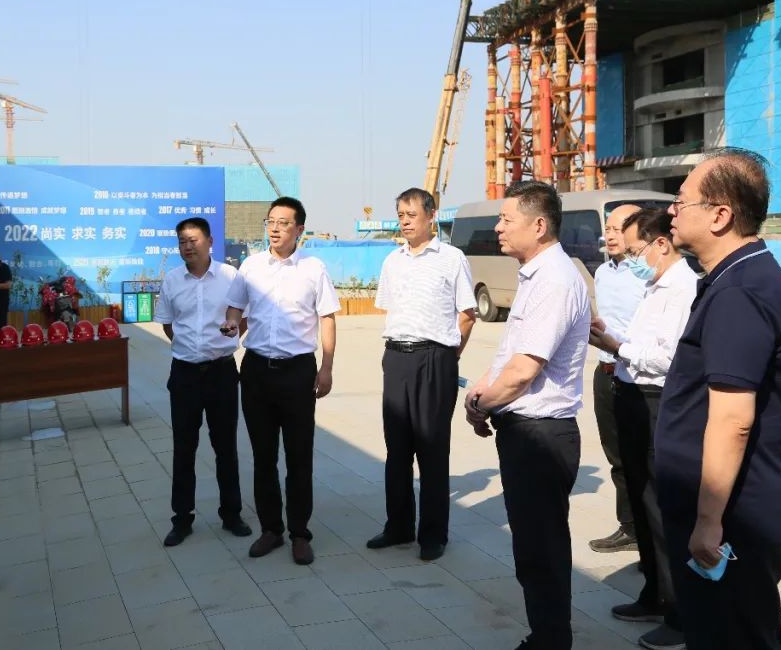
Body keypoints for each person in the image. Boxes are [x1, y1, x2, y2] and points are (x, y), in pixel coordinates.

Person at [657, 148, 781, 650]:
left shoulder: (741, 290)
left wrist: (708, 522)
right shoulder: (735, 277)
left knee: (734, 633)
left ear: (720, 215)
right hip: (729, 507)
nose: (672, 211)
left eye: (681, 201)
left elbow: (732, 419)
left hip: (732, 514)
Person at [464, 181, 590, 650]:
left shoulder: (554, 280)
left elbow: (522, 372)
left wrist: (481, 404)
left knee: (542, 548)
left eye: (506, 219)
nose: (497, 228)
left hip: (542, 435)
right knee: (533, 546)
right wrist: (483, 393)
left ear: (538, 226)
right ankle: (546, 633)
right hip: (525, 430)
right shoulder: (535, 276)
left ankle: (551, 640)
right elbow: (509, 357)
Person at [589, 208, 697, 650]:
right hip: (631, 394)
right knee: (640, 497)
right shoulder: (655, 284)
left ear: (660, 244)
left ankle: (680, 614)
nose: (631, 259)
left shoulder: (683, 288)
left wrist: (618, 346)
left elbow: (669, 358)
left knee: (662, 510)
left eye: (635, 251)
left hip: (658, 400)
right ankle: (654, 592)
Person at [221, 196, 340, 566]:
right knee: (263, 456)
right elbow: (235, 307)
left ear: (299, 229)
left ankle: (300, 534)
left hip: (298, 372)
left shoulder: (314, 268)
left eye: (283, 223)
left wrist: (326, 367)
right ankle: (271, 529)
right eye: (270, 221)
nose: (274, 228)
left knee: (299, 457)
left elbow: (327, 318)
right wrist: (231, 323)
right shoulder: (251, 266)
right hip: (256, 371)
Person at [366, 187, 476, 562]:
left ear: (431, 216)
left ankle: (433, 534)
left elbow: (467, 315)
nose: (405, 221)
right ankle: (398, 526)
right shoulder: (392, 261)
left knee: (431, 449)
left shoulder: (451, 258)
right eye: (400, 215)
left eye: (411, 214)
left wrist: (447, 356)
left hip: (435, 359)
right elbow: (390, 309)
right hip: (396, 357)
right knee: (396, 449)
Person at [154, 217, 252, 547]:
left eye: (193, 240)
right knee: (184, 448)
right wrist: (189, 348)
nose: (187, 246)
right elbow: (168, 325)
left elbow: (243, 317)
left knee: (225, 447)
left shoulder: (230, 277)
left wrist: (226, 338)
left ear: (210, 241)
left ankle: (232, 514)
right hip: (184, 375)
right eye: (182, 241)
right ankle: (182, 519)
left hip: (222, 373)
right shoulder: (172, 280)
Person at [588, 203, 645, 554]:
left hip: (638, 375)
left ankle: (652, 533)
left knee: (644, 458)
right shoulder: (602, 273)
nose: (609, 235)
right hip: (605, 370)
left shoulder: (648, 274)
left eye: (617, 228)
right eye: (607, 228)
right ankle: (630, 527)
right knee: (617, 457)